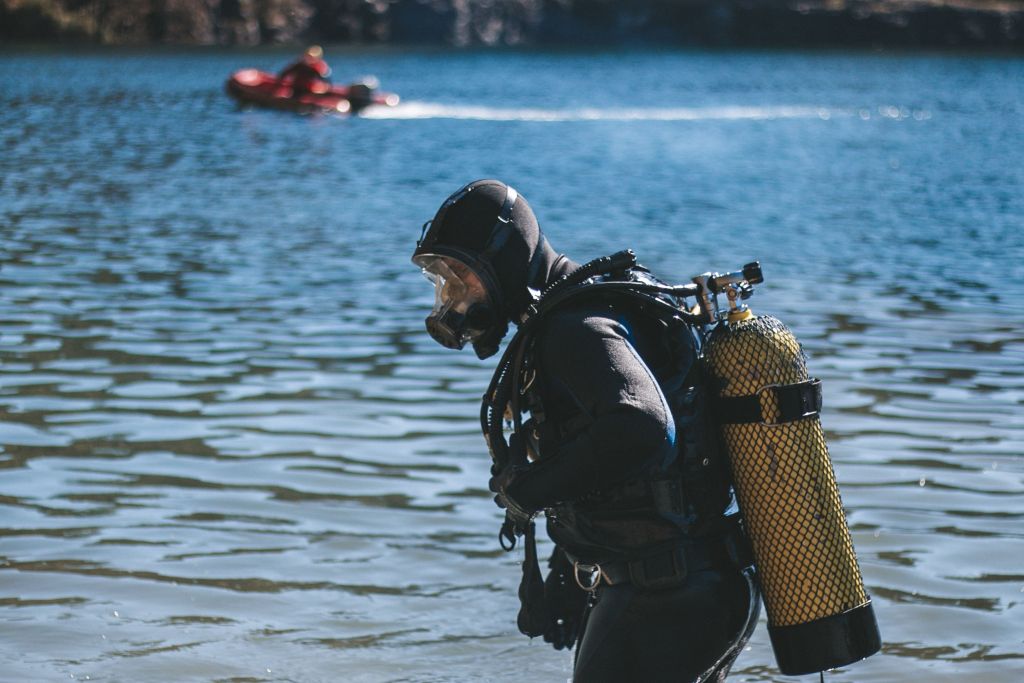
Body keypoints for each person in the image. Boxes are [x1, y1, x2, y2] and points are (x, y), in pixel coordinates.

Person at [411, 179, 761, 682]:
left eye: (462, 275)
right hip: (690, 584)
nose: (454, 296)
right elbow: (609, 463)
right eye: (444, 280)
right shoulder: (575, 311)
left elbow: (642, 427)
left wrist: (527, 493)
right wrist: (572, 567)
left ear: (507, 257)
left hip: (668, 596)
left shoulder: (574, 327)